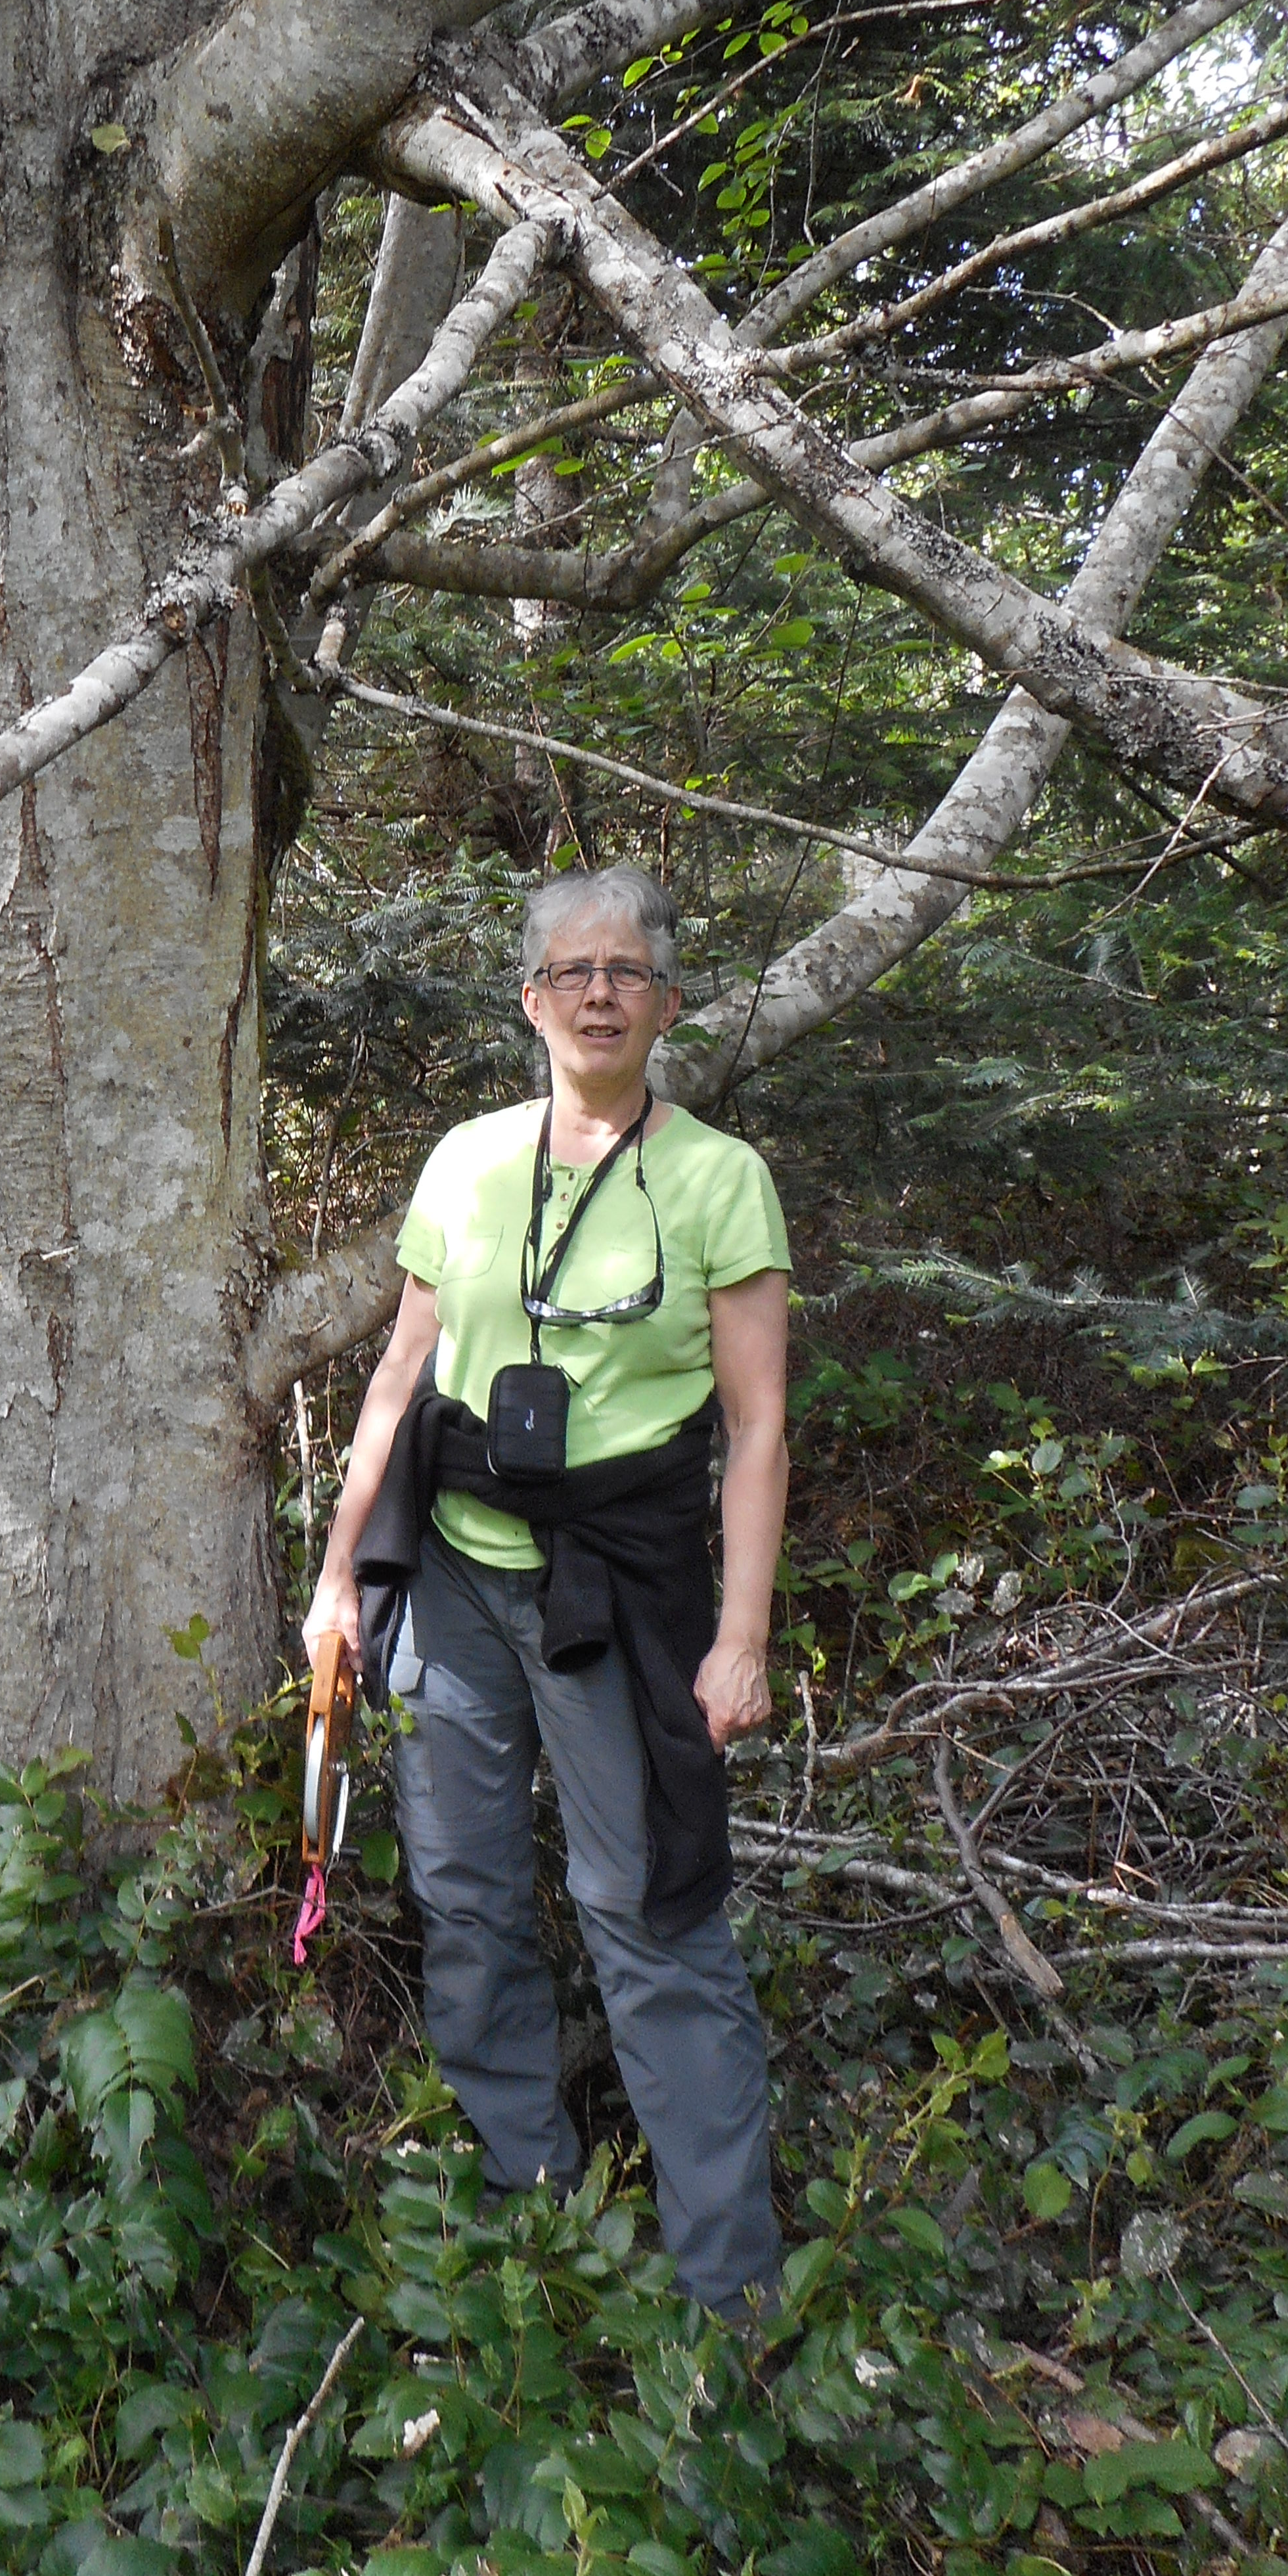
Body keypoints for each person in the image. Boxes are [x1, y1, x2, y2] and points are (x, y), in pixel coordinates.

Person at [301, 864, 791, 2317]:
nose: (597, 992)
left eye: (626, 970)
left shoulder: (716, 1177)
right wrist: (340, 1577)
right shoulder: (465, 1160)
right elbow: (399, 1375)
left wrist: (740, 1636)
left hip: (619, 1586)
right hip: (453, 1572)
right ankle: (533, 2202)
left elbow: (758, 1424)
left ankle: (732, 2299)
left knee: (647, 1906)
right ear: (528, 999)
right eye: (570, 971)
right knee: (462, 1888)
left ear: (665, 1001)